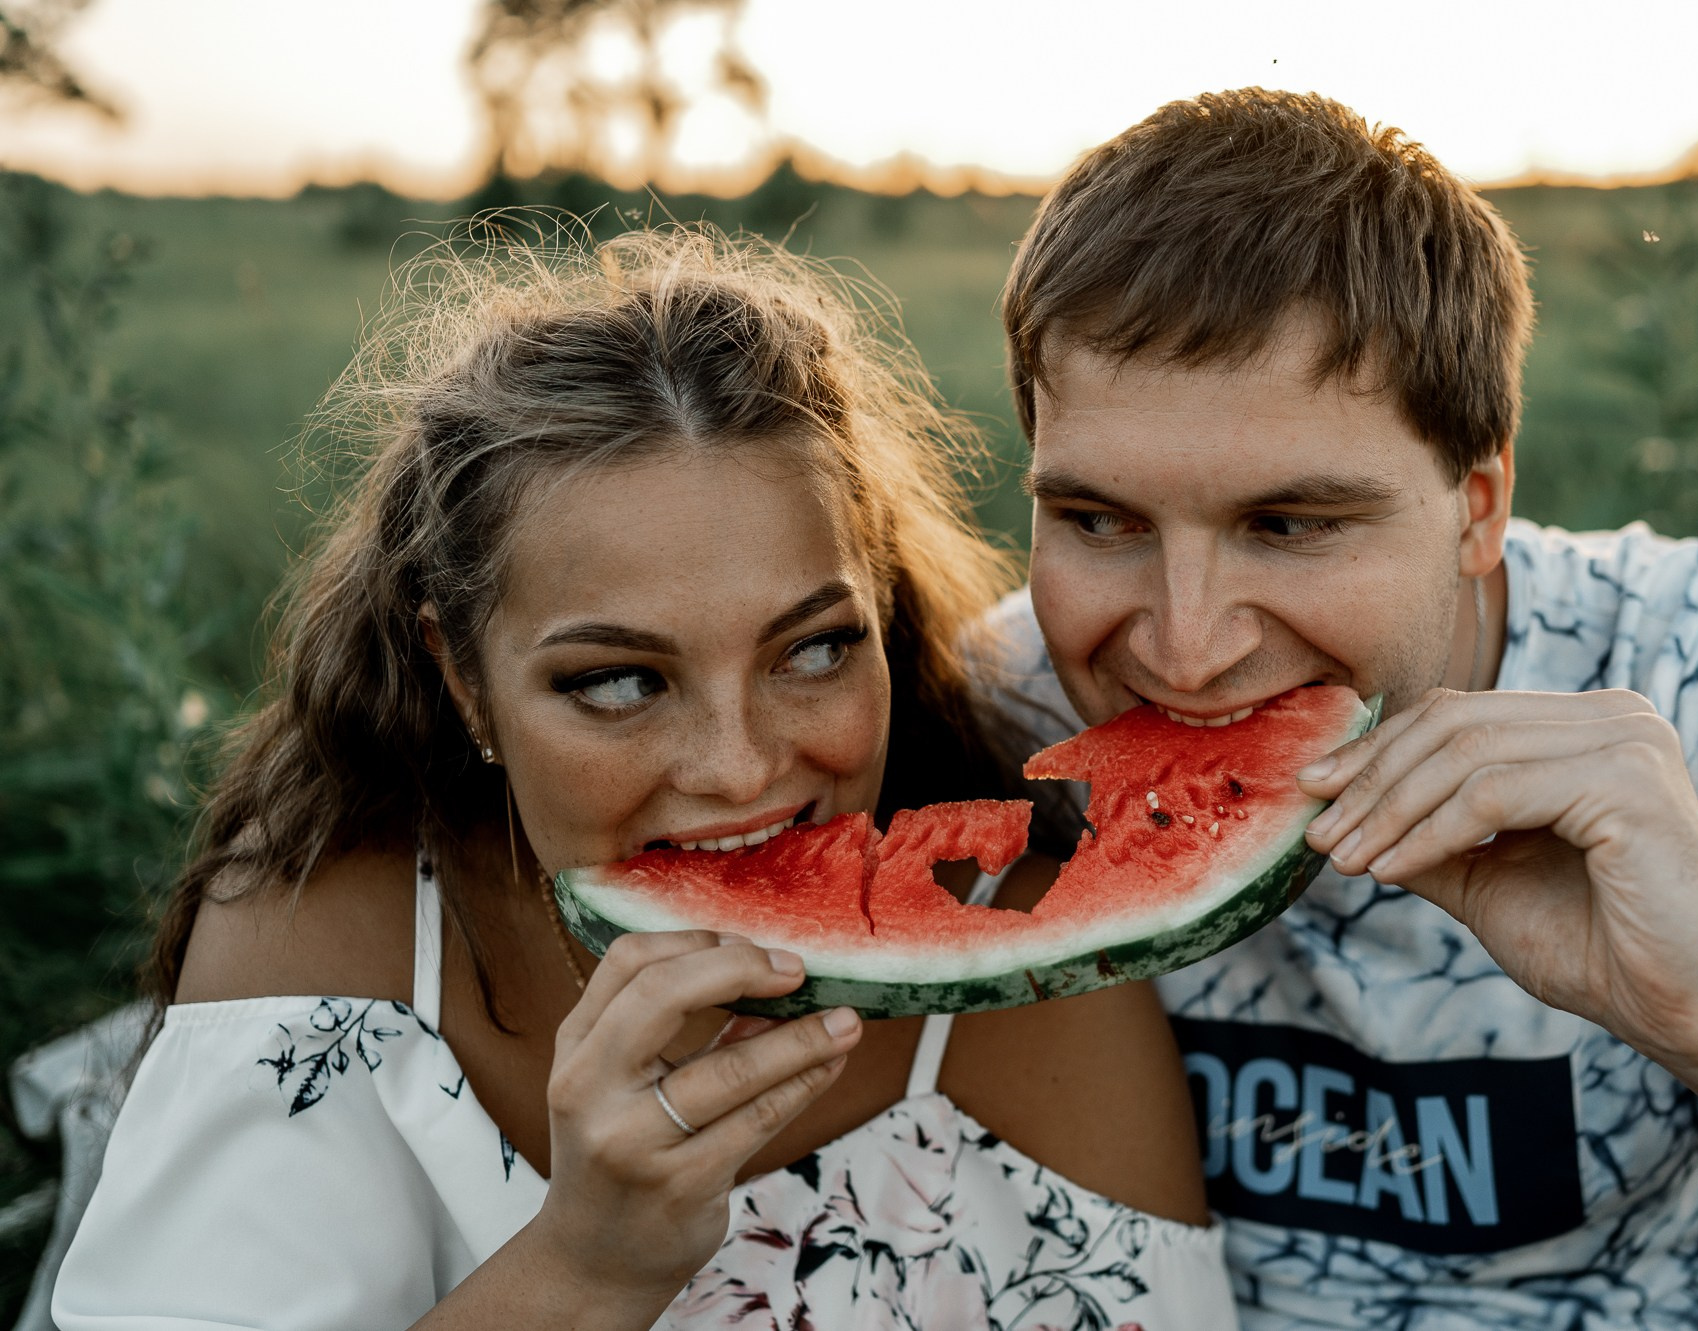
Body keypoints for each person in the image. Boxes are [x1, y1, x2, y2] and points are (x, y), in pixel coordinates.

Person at [53, 227, 1237, 1330]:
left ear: (883, 610)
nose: (737, 766)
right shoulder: (321, 944)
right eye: (617, 681)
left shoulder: (1035, 972)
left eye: (814, 649)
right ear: (460, 679)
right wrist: (585, 1265)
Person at [976, 89, 1698, 1329]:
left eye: (1289, 524)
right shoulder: (998, 716)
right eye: (1098, 520)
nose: (1185, 648)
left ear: (1476, 504)